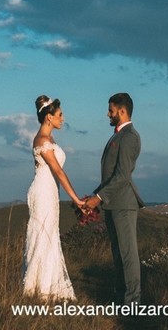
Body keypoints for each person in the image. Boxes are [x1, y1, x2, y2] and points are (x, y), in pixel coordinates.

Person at [81, 92, 145, 305]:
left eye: (111, 110)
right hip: (113, 203)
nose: (108, 114)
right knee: (119, 255)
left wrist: (98, 197)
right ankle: (122, 298)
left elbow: (122, 176)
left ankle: (132, 303)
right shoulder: (118, 135)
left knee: (128, 255)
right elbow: (111, 176)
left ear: (122, 110)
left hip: (124, 204)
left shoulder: (129, 137)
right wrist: (95, 196)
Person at [23, 95, 85, 301]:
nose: (63, 118)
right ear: (48, 117)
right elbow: (58, 172)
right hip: (42, 193)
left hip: (51, 193)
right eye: (59, 114)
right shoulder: (41, 141)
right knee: (42, 235)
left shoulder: (50, 139)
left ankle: (49, 286)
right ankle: (37, 289)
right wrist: (76, 199)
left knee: (50, 235)